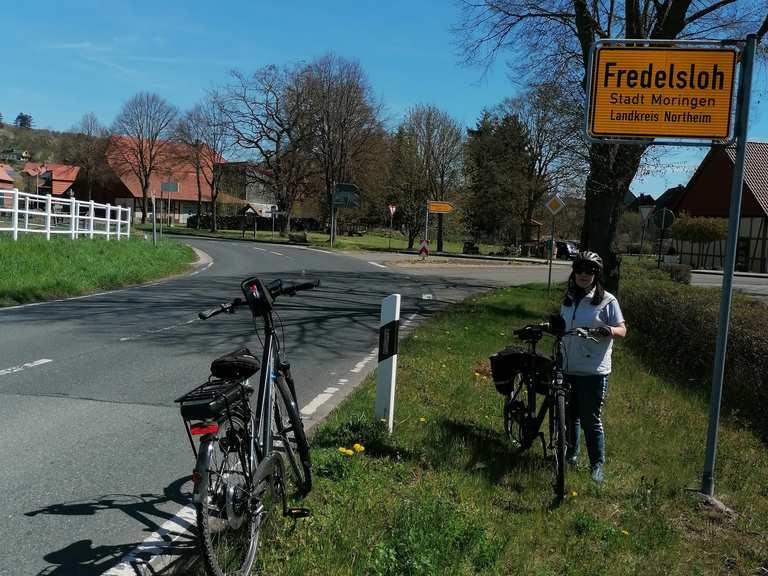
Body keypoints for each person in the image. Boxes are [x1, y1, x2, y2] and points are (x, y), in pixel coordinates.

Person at [559, 251, 627, 484]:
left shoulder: (608, 301)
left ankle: (597, 466)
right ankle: (571, 455)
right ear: (574, 273)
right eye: (579, 270)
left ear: (597, 274)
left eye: (590, 270)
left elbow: (622, 330)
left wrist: (609, 330)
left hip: (593, 371)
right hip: (567, 366)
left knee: (590, 419)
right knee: (569, 416)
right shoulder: (568, 298)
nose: (584, 275)